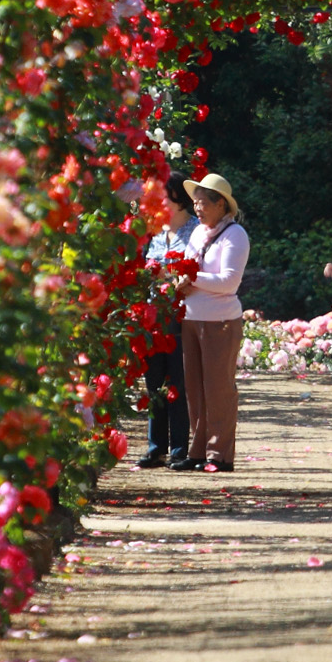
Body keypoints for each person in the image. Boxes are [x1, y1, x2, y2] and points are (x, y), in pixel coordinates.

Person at [178, 173, 249, 473]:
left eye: (203, 203)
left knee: (218, 389)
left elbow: (229, 282)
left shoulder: (235, 235)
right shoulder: (196, 233)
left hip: (220, 321)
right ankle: (197, 451)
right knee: (194, 389)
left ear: (221, 205)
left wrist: (192, 278)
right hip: (191, 319)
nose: (198, 209)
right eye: (195, 204)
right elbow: (185, 266)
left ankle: (219, 455)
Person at [138, 172, 199, 469]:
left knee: (178, 381)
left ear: (176, 197)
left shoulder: (196, 231)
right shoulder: (158, 231)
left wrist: (168, 274)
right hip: (153, 316)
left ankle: (178, 448)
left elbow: (196, 270)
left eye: (161, 195)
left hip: (182, 315)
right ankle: (155, 447)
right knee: (154, 382)